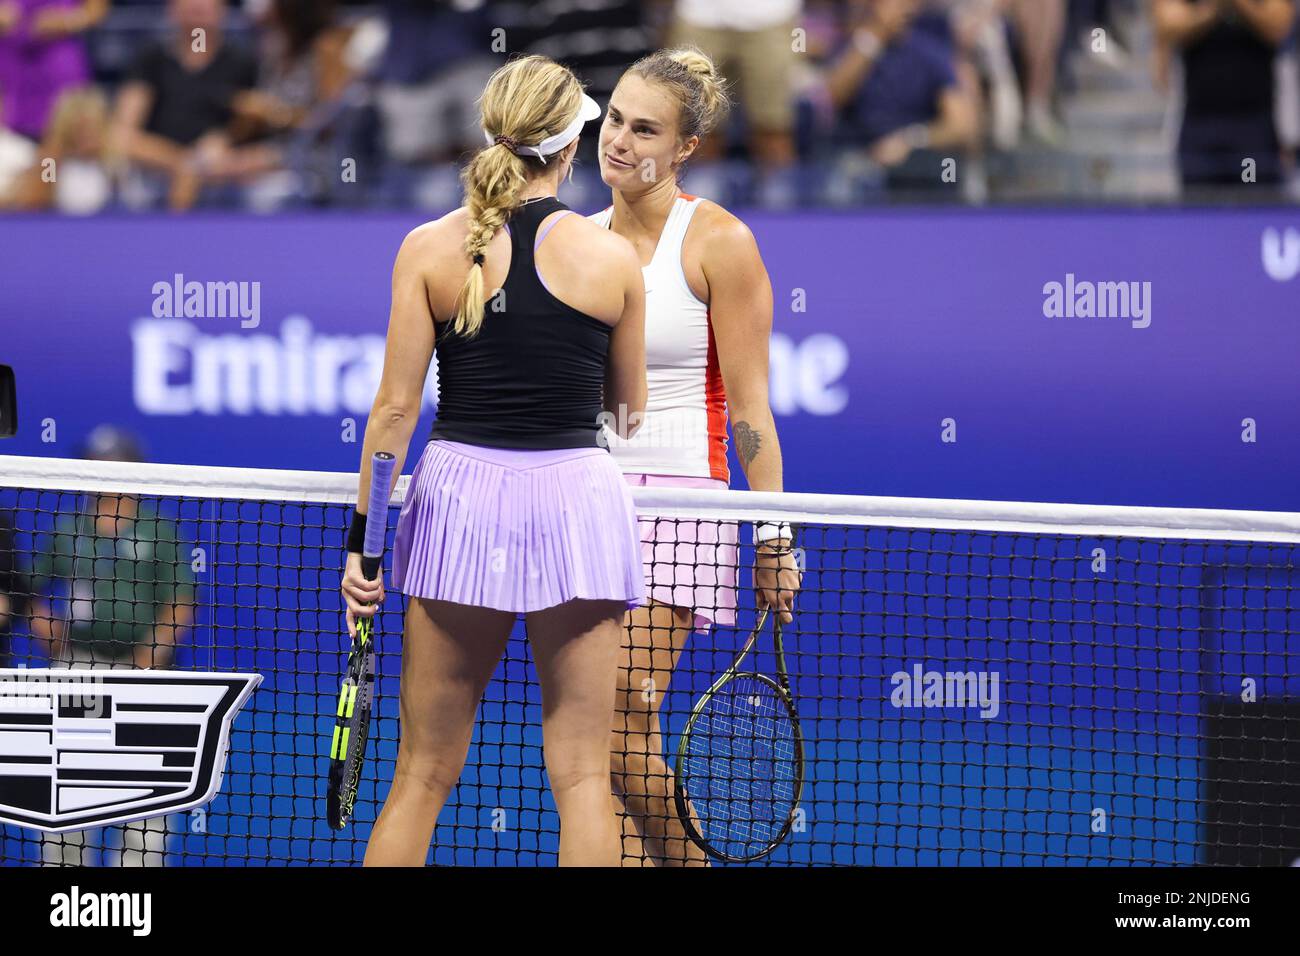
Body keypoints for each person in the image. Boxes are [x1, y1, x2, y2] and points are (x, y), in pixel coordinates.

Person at [340, 55, 648, 868]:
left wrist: (363, 545)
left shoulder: (427, 249)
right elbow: (627, 411)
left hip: (460, 504)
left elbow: (395, 414)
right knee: (584, 776)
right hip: (578, 503)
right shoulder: (614, 261)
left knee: (420, 775)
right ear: (571, 145)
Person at [590, 47, 803, 866]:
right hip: (588, 497)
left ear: (684, 149)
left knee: (619, 714)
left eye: (645, 130)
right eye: (613, 118)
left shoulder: (720, 242)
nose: (619, 140)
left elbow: (752, 410)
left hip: (682, 502)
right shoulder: (575, 239)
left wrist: (772, 534)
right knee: (596, 742)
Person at [27, 425, 196, 866]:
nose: (103, 475)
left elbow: (179, 604)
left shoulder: (159, 530)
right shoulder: (68, 530)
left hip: (143, 674)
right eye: (95, 465)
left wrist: (148, 660)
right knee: (68, 786)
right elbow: (33, 592)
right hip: (78, 668)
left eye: (113, 466)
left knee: (146, 796)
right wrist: (53, 638)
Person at [110, 0, 261, 210]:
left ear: (223, 10)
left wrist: (227, 137)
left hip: (222, 171)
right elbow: (123, 130)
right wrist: (183, 164)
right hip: (156, 169)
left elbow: (254, 118)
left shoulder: (243, 63)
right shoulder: (152, 60)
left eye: (206, 4)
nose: (197, 8)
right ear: (172, 9)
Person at [1153, 0, 1297, 190]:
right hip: (1200, 126)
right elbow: (1168, 25)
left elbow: (1280, 26)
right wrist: (1213, 9)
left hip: (1254, 127)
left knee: (1256, 205)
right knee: (1199, 212)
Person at [0, 0, 108, 144]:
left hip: (58, 60)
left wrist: (68, 21)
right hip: (12, 59)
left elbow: (96, 10)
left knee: (66, 133)